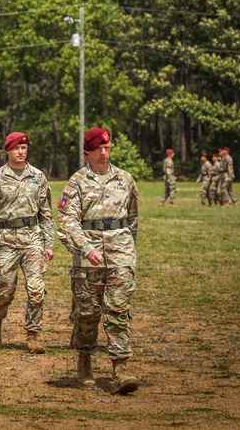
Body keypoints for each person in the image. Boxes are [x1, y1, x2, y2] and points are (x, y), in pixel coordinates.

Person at [57, 127, 139, 395]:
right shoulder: (77, 182)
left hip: (121, 255)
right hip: (88, 257)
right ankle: (85, 359)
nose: (104, 153)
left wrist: (126, 247)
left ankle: (120, 369)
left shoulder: (125, 179)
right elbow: (67, 220)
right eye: (98, 149)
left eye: (107, 148)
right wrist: (86, 247)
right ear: (87, 153)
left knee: (118, 310)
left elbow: (133, 217)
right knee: (88, 313)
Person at [0, 132, 53, 354]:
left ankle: (33, 334)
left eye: (24, 148)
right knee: (4, 291)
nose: (21, 152)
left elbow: (46, 213)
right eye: (16, 148)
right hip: (6, 241)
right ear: (8, 151)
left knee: (37, 290)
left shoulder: (38, 177)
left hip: (33, 239)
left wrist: (49, 243)